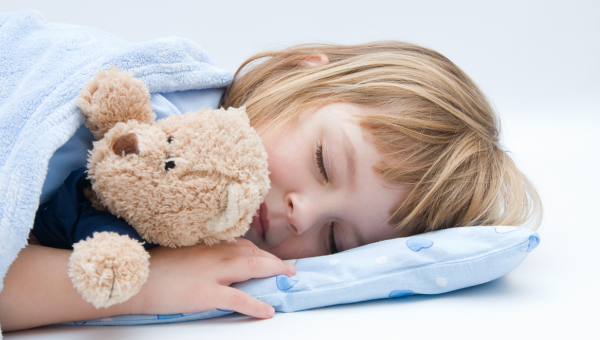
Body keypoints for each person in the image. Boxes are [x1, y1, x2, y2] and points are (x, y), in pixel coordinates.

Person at [0, 41, 542, 332]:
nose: (301, 215)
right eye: (323, 162)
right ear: (298, 75)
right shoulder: (156, 123)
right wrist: (148, 284)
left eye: (335, 240)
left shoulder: (188, 219)